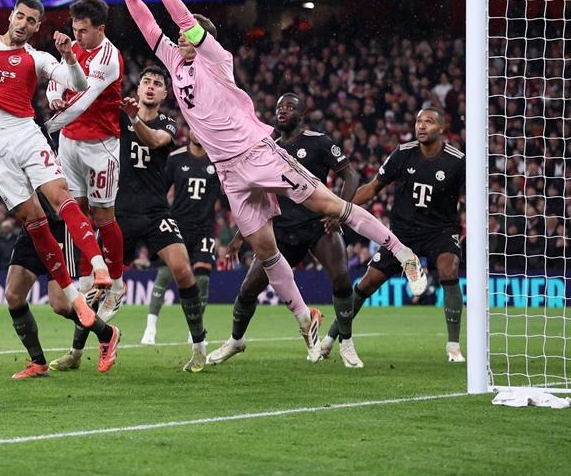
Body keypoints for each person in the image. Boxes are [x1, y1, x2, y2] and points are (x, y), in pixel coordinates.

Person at [119, 0, 427, 357]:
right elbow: (147, 27)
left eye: (186, 33)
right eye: (178, 35)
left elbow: (187, 23)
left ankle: (403, 254)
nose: (179, 37)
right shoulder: (174, 64)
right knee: (265, 250)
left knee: (330, 205)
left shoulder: (218, 59)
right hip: (228, 171)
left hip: (255, 152)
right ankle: (304, 317)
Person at [0, 0, 115, 330]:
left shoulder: (37, 58)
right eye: (20, 16)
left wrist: (69, 57)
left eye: (31, 21)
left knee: (60, 195)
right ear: (11, 16)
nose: (23, 24)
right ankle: (75, 302)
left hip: (25, 133)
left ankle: (99, 268)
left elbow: (79, 85)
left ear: (37, 28)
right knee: (33, 223)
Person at [50, 66, 210, 372]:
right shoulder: (118, 117)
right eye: (146, 81)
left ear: (164, 93)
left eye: (157, 84)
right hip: (118, 213)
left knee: (183, 270)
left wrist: (134, 119)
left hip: (155, 213)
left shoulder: (167, 123)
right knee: (94, 288)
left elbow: (156, 141)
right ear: (138, 89)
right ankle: (75, 353)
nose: (150, 86)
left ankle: (199, 346)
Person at [0, 122, 120, 378]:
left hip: (58, 226)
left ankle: (107, 334)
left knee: (60, 304)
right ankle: (38, 363)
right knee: (13, 294)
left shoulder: (28, 128)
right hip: (31, 226)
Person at [208, 93, 362, 367]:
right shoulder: (267, 148)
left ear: (302, 115)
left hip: (317, 225)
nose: (283, 111)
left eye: (290, 107)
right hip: (279, 230)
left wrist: (339, 211)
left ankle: (347, 344)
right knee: (247, 290)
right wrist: (239, 238)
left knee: (341, 278)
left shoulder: (319, 141)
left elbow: (350, 175)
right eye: (280, 107)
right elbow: (255, 199)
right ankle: (235, 340)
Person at [320, 105, 467, 363]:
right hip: (403, 234)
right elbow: (372, 188)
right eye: (419, 121)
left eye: (429, 121)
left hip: (441, 230)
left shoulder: (457, 161)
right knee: (367, 283)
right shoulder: (403, 153)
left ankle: (453, 347)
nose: (422, 126)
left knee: (449, 269)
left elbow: (473, 195)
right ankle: (330, 338)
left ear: (442, 128)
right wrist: (340, 209)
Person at [44, 0, 127, 314]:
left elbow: (84, 100)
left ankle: (116, 284)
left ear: (100, 29)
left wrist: (49, 126)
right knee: (73, 211)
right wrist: (53, 98)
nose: (77, 36)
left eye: (83, 30)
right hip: (70, 142)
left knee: (103, 216)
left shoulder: (108, 57)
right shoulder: (74, 48)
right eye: (74, 29)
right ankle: (86, 281)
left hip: (100, 146)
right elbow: (57, 79)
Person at [143, 126, 223, 346]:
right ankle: (150, 328)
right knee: (164, 275)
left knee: (203, 279)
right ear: (189, 131)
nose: (197, 132)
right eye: (193, 128)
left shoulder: (217, 161)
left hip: (205, 228)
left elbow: (227, 195)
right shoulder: (176, 158)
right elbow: (160, 191)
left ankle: (195, 330)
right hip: (177, 226)